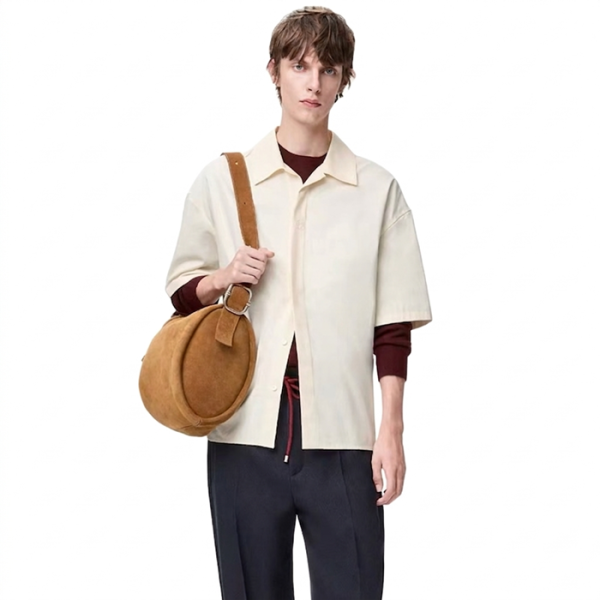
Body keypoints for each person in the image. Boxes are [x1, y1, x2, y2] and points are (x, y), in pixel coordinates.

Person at [165, 6, 432, 599]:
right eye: (300, 66)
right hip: (244, 432)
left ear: (344, 80)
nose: (314, 83)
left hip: (345, 437)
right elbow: (182, 294)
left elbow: (392, 327)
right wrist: (224, 276)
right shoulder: (222, 182)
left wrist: (391, 429)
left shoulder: (378, 191)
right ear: (274, 72)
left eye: (329, 69)